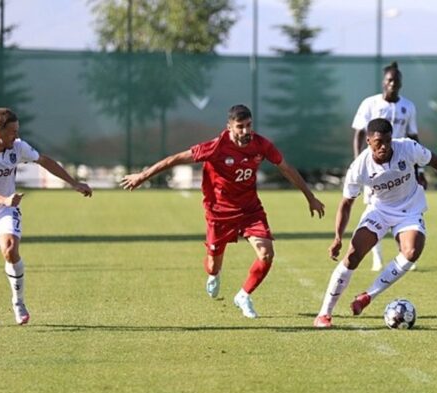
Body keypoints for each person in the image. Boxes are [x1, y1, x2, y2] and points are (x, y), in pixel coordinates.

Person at [121, 104, 325, 319]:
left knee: (266, 254)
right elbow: (175, 159)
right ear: (229, 127)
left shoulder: (261, 145)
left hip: (250, 211)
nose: (246, 131)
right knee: (212, 265)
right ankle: (214, 274)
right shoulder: (216, 147)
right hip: (219, 213)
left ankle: (244, 295)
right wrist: (142, 176)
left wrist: (310, 197)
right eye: (240, 127)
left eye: (249, 125)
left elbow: (286, 168)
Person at [313, 118, 437, 328]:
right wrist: (338, 237)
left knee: (411, 252)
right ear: (368, 141)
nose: (384, 146)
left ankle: (367, 296)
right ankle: (324, 313)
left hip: (409, 210)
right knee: (353, 255)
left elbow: (436, 161)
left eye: (387, 141)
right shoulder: (359, 168)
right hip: (379, 211)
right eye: (378, 142)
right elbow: (346, 203)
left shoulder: (407, 148)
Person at [0, 107, 93, 329]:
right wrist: (2, 199)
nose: (17, 136)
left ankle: (18, 303)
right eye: (13, 132)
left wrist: (74, 183)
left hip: (5, 211)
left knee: (10, 248)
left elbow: (44, 161)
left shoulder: (17, 147)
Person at [351, 61, 424, 271]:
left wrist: (420, 170)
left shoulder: (408, 106)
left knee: (405, 208)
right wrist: (360, 164)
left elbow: (414, 137)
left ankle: (405, 255)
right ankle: (377, 257)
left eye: (396, 80)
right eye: (390, 80)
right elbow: (358, 134)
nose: (393, 83)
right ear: (384, 82)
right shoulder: (370, 104)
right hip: (375, 166)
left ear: (400, 83)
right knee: (375, 208)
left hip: (401, 166)